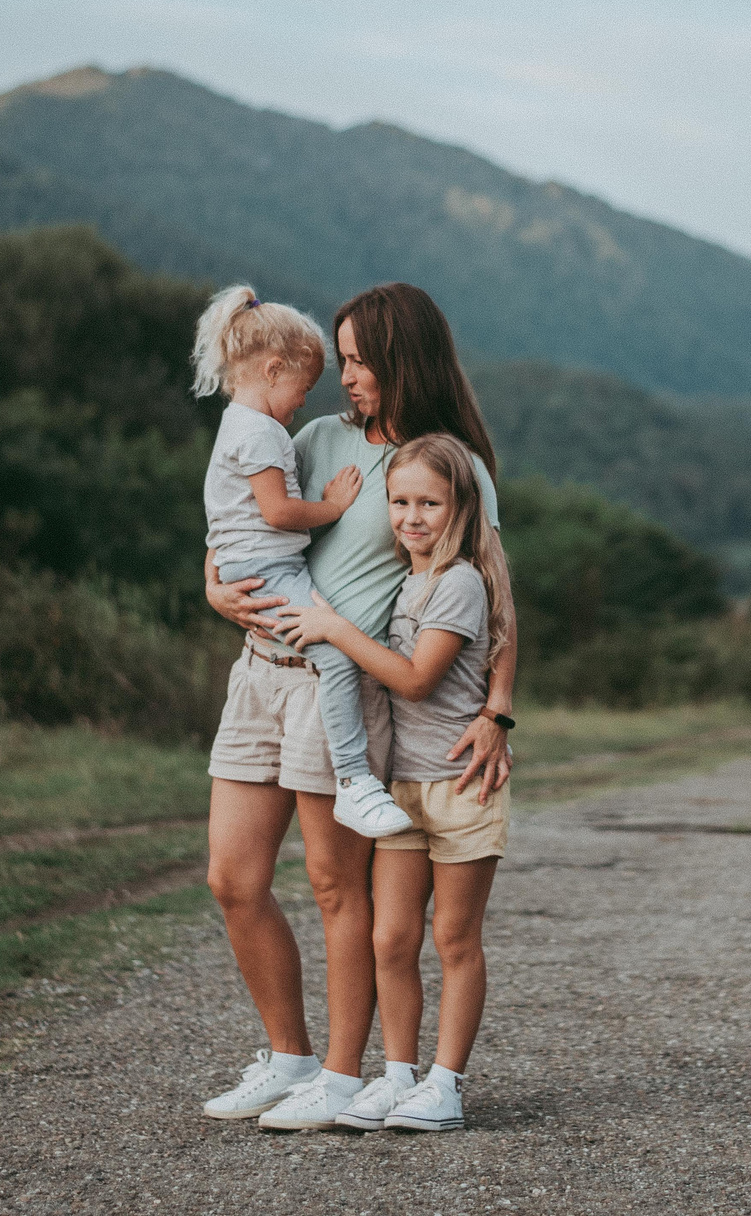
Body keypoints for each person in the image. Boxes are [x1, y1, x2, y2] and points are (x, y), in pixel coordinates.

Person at [196, 283, 518, 1129]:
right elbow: (244, 513)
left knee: (337, 884)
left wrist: (497, 710)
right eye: (339, 360)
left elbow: (494, 596)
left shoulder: (449, 463)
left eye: (359, 360)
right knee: (233, 878)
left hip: (339, 687)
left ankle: (341, 1078)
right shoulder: (313, 435)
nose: (346, 377)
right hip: (259, 669)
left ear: (401, 359)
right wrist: (213, 585)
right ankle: (289, 1055)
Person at [277, 433, 510, 1132]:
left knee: (455, 938)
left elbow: (414, 677)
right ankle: (397, 1075)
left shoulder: (461, 581)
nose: (412, 516)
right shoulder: (406, 581)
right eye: (400, 501)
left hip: (461, 787)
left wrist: (332, 627)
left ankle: (445, 1084)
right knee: (390, 938)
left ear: (460, 507)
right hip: (402, 787)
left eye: (429, 503)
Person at [189, 284, 411, 841]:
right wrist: (333, 506)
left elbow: (226, 513)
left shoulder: (239, 426)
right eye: (302, 387)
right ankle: (356, 781)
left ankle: (354, 780)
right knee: (335, 658)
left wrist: (217, 572)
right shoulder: (262, 433)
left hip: (260, 569)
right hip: (270, 573)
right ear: (271, 369)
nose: (306, 402)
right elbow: (278, 511)